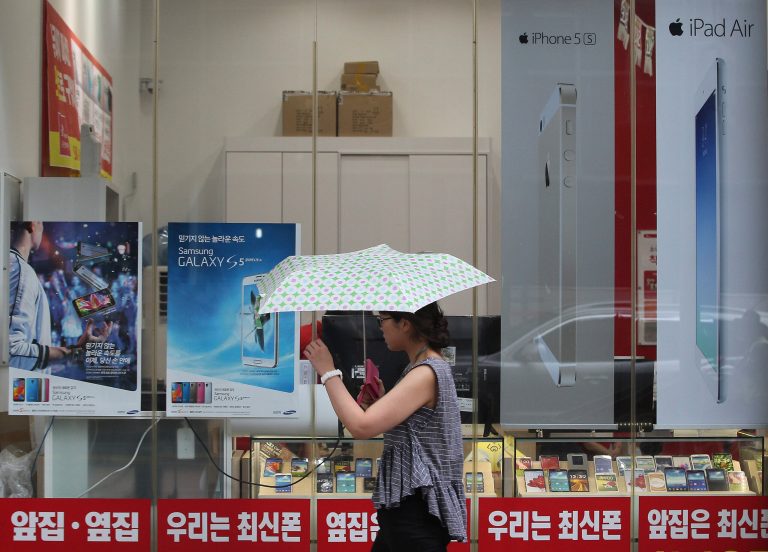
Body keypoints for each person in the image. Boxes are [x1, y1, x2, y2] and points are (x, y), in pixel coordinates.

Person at [304, 302, 466, 551]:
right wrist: (383, 403)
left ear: (405, 323)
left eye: (383, 320)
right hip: (409, 509)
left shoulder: (426, 372)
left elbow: (361, 426)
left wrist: (328, 372)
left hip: (415, 512)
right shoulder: (424, 367)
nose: (380, 328)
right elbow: (416, 430)